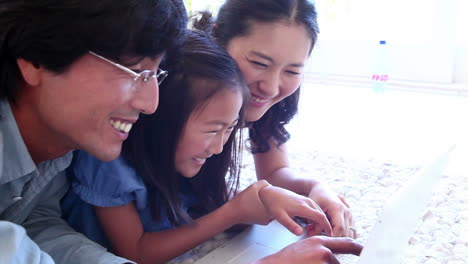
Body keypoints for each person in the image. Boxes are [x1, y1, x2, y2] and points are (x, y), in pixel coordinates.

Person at [61, 30, 333, 264]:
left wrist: (267, 199)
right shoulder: (109, 164)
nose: (218, 148)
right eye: (213, 129)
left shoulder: (187, 157)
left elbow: (211, 202)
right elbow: (138, 252)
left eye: (229, 129)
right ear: (161, 118)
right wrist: (233, 212)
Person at [0, 0, 187, 263]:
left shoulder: (57, 147)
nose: (150, 104)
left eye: (154, 75)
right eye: (135, 73)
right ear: (37, 58)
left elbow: (33, 223)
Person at [194, 0, 356, 239]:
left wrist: (314, 188)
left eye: (292, 71)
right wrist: (246, 202)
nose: (270, 88)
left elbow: (275, 171)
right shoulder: (180, 90)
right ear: (217, 38)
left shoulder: (268, 98)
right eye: (259, 63)